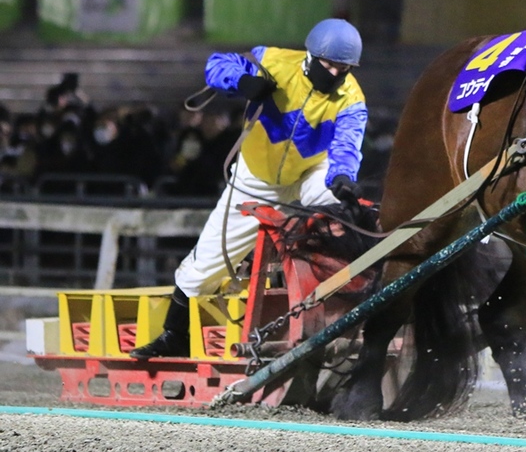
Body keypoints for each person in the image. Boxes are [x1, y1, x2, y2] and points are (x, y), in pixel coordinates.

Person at [130, 19, 368, 359]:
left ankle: (354, 282)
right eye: (329, 64)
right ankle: (174, 336)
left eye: (342, 68)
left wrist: (343, 175)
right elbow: (216, 64)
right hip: (255, 179)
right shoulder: (273, 60)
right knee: (202, 268)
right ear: (311, 56)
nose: (334, 73)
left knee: (342, 200)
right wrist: (241, 81)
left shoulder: (352, 99)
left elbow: (347, 144)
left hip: (307, 175)